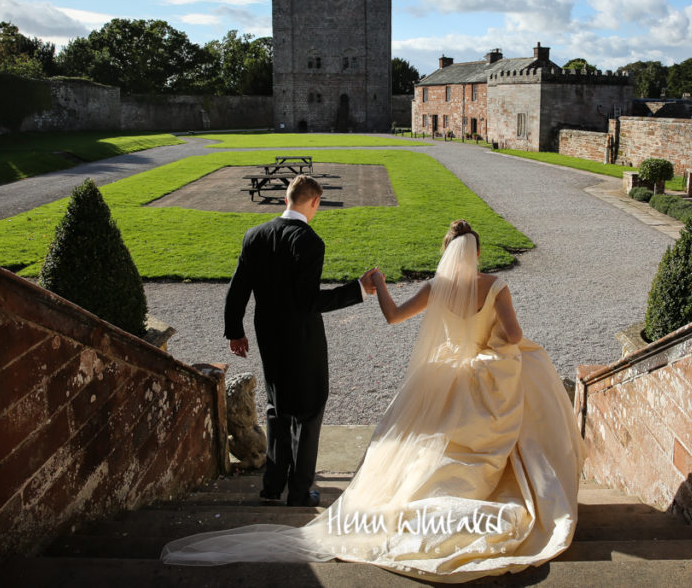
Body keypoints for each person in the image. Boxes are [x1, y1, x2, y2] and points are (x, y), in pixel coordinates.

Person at [166, 219, 584, 583]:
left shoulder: (436, 286)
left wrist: (379, 284)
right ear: (476, 252)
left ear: (446, 253)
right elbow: (512, 337)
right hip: (487, 375)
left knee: (432, 443)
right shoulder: (494, 286)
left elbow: (394, 316)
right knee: (506, 429)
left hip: (445, 374)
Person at [223, 174, 378, 507]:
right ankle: (300, 491)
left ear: (286, 199)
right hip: (301, 337)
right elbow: (308, 302)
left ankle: (271, 487)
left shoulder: (255, 235)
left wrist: (235, 330)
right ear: (315, 202)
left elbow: (238, 288)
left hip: (267, 332)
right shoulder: (309, 241)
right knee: (308, 409)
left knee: (277, 408)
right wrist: (358, 290)